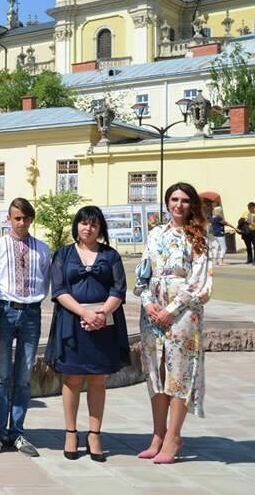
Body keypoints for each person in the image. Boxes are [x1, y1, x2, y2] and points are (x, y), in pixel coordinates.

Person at [43, 205, 130, 463]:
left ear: (100, 228)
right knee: (71, 378)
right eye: (83, 223)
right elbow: (58, 290)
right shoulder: (63, 254)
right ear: (76, 226)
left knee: (98, 380)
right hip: (72, 323)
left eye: (93, 224)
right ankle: (71, 433)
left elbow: (119, 289)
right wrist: (84, 313)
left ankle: (94, 434)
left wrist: (101, 314)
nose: (88, 228)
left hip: (104, 324)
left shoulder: (111, 255)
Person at [135, 183, 212, 464]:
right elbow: (143, 272)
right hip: (152, 312)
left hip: (183, 314)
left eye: (184, 200)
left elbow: (200, 282)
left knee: (179, 372)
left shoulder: (199, 237)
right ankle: (158, 433)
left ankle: (173, 436)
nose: (178, 205)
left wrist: (171, 308)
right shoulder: (155, 234)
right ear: (167, 203)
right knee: (155, 371)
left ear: (192, 205)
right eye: (174, 199)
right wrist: (148, 303)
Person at [0, 198, 51, 457]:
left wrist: (33, 302)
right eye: (16, 218)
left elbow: (45, 281)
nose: (21, 222)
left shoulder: (42, 249)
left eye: (26, 218)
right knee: (2, 377)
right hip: (4, 312)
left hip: (31, 313)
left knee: (23, 377)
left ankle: (18, 432)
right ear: (8, 219)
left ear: (31, 219)